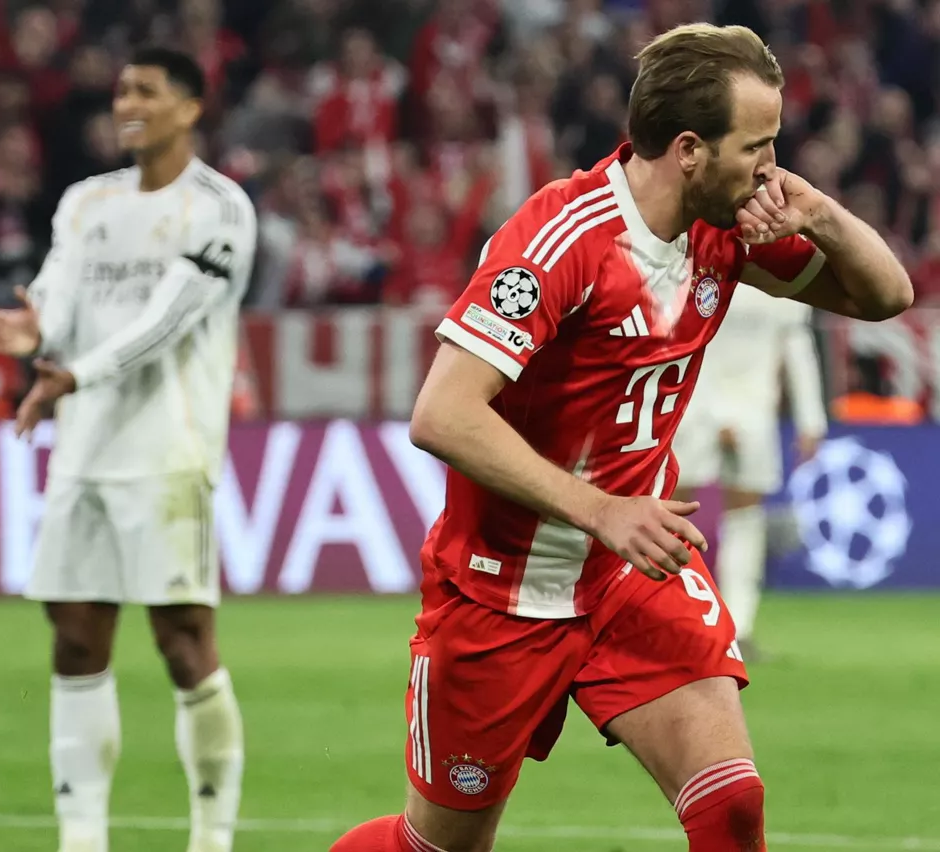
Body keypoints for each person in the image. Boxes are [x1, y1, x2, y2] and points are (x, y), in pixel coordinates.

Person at [331, 23, 911, 852]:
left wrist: (817, 213)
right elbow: (443, 414)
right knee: (438, 847)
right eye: (757, 146)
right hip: (502, 593)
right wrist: (601, 509)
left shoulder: (724, 227)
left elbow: (884, 296)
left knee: (731, 805)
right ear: (689, 151)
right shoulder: (563, 240)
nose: (770, 167)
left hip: (631, 576)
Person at [0, 46, 256, 852]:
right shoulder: (85, 201)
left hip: (169, 450)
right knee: (74, 634)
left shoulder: (220, 207)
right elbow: (59, 293)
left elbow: (170, 318)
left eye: (146, 91)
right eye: (121, 91)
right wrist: (38, 333)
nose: (126, 103)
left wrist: (74, 374)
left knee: (182, 640)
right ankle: (82, 838)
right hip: (85, 450)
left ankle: (211, 838)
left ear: (190, 108)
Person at [673, 285, 828, 661]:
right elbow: (691, 341)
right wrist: (717, 414)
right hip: (694, 409)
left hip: (752, 414)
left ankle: (737, 628)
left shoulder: (783, 282)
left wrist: (811, 420)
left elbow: (796, 345)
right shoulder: (706, 268)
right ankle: (667, 619)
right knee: (671, 511)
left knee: (745, 518)